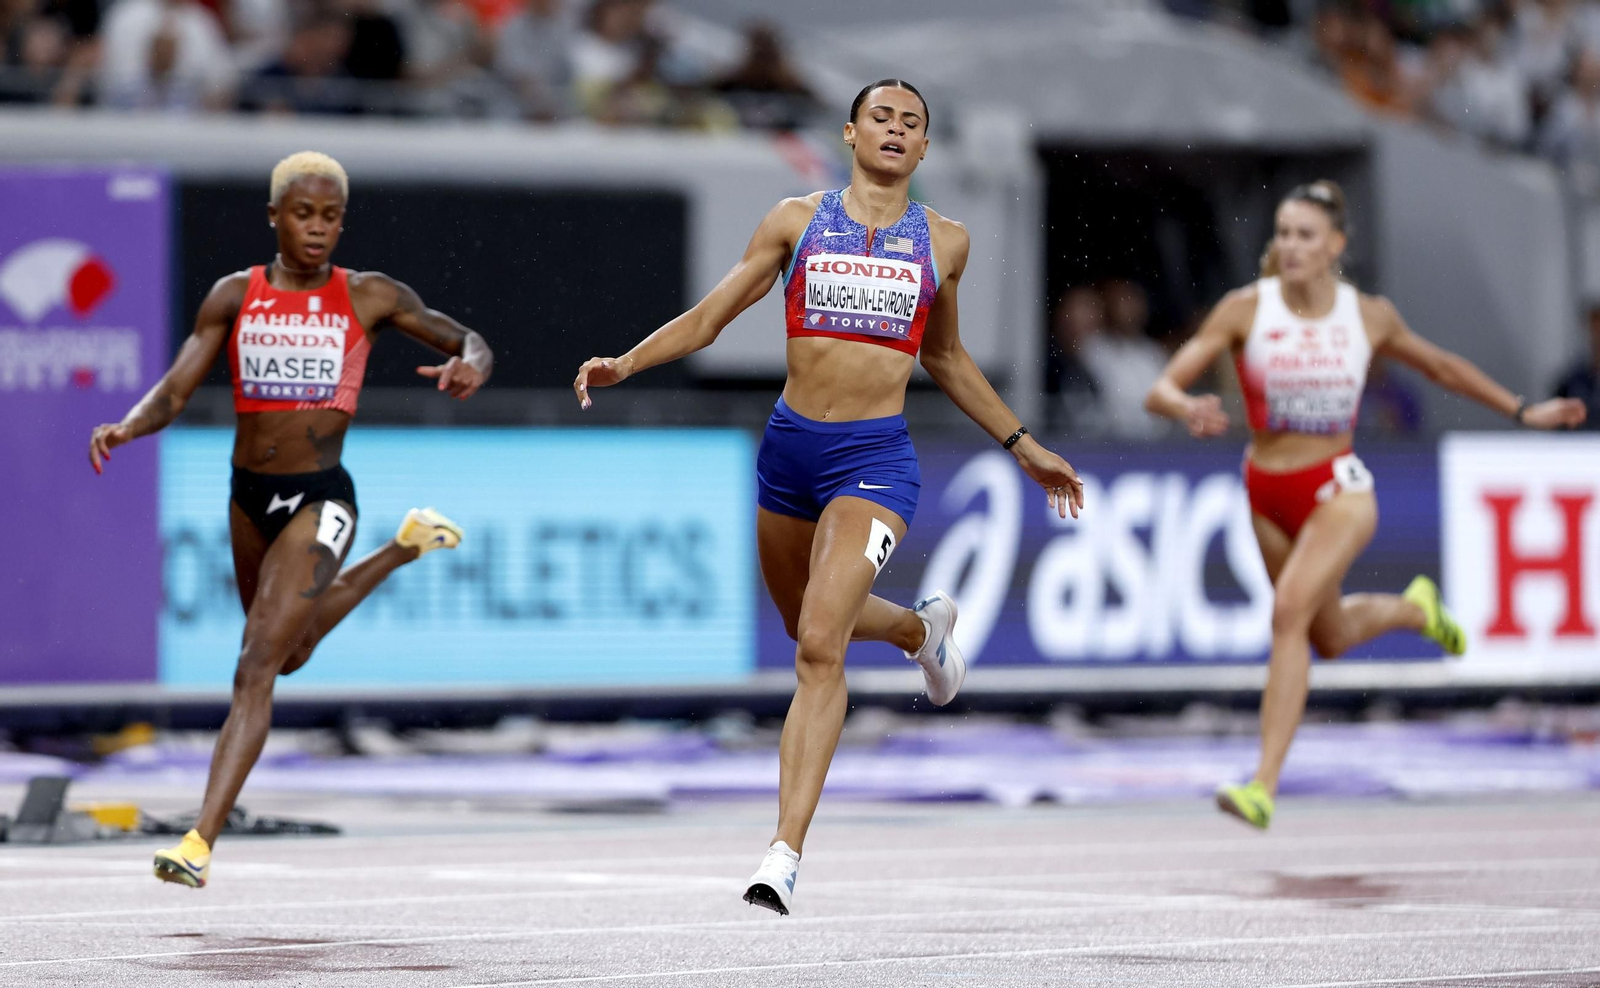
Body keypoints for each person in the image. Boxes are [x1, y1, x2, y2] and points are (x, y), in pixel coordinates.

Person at [573, 79, 1083, 915]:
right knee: (805, 619)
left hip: (874, 462)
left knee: (819, 645)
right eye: (881, 116)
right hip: (788, 456)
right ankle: (923, 629)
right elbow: (710, 318)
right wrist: (626, 363)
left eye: (912, 123)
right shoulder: (794, 220)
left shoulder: (945, 241)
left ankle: (784, 854)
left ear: (923, 151)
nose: (895, 129)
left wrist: (1024, 447)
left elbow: (946, 358)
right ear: (850, 133)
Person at [88, 151, 494, 887]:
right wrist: (128, 425)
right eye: (303, 214)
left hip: (321, 499)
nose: (317, 229)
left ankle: (199, 841)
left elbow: (469, 339)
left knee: (256, 666)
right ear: (274, 216)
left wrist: (470, 361)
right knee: (291, 653)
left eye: (331, 217)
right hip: (247, 495)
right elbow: (176, 389)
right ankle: (403, 547)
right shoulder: (233, 295)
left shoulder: (369, 295)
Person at [1143, 180, 1585, 830]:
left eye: (1305, 235)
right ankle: (1415, 608)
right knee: (1328, 634)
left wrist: (1523, 408)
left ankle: (1262, 785)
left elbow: (1441, 368)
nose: (1290, 246)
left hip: (1338, 489)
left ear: (1335, 246)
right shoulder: (1245, 309)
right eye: (1284, 233)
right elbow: (1162, 384)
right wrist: (1184, 405)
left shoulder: (1366, 315)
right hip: (1266, 492)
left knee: (1289, 615)